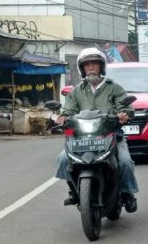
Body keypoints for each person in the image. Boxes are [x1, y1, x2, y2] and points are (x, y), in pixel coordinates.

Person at [55, 47, 139, 213]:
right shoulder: (76, 91)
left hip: (110, 134)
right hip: (81, 137)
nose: (91, 67)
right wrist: (62, 118)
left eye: (94, 63)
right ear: (83, 69)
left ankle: (127, 193)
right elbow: (68, 111)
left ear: (101, 66)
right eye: (87, 64)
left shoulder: (113, 88)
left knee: (125, 162)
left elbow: (127, 107)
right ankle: (74, 191)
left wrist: (124, 114)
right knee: (64, 159)